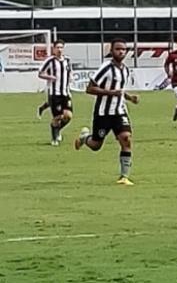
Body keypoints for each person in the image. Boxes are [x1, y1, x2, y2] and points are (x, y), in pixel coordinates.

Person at [74, 39, 140, 185]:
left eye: (123, 49)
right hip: (103, 113)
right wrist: (110, 93)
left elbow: (119, 90)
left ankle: (124, 177)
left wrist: (130, 97)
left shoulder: (125, 70)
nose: (121, 52)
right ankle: (85, 138)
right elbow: (89, 88)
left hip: (119, 111)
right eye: (118, 49)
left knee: (126, 139)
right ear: (111, 51)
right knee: (96, 145)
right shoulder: (106, 68)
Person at [37, 40, 73, 146]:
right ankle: (54, 138)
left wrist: (71, 78)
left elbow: (70, 71)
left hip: (65, 93)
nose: (59, 49)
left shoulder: (67, 60)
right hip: (54, 93)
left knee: (68, 116)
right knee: (58, 117)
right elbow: (40, 73)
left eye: (61, 47)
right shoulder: (50, 61)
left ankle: (57, 130)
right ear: (54, 49)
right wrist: (49, 77)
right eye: (57, 47)